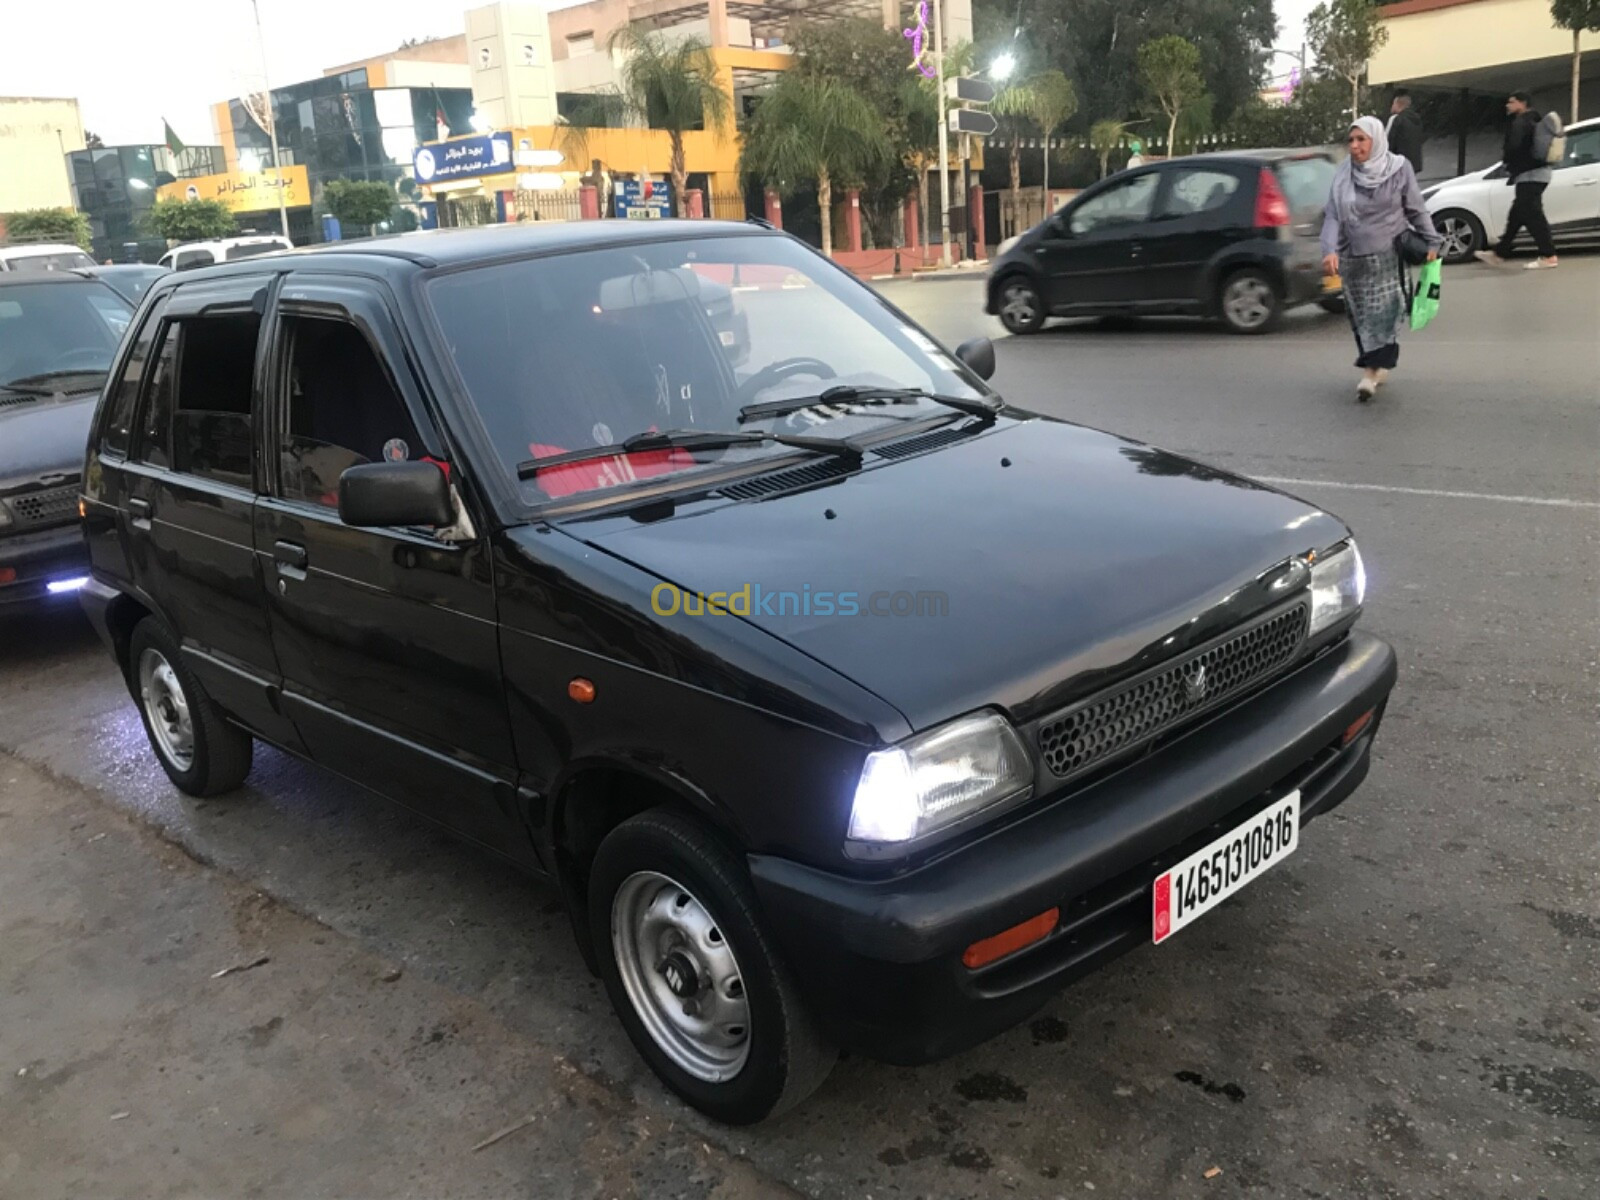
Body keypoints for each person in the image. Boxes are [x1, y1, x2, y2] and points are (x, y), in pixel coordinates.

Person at [1321, 116, 1441, 401]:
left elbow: (1415, 208)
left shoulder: (1399, 168)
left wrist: (1432, 240)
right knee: (1361, 316)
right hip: (1352, 256)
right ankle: (1378, 363)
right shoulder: (1343, 174)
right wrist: (1328, 250)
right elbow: (1333, 215)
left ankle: (1371, 371)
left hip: (1387, 254)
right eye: (1351, 140)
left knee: (1383, 314)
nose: (1354, 146)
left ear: (1375, 140)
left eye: (1361, 139)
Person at [1476, 91, 1558, 270]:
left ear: (1522, 104)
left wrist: (1508, 164)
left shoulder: (1521, 122)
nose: (1508, 105)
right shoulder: (1536, 120)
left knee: (1533, 215)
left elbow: (1513, 147)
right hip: (1539, 173)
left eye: (1511, 102)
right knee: (1517, 214)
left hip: (1529, 174)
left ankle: (1549, 255)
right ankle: (1499, 253)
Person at [1385, 90, 1424, 175]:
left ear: (1397, 104)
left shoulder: (1396, 119)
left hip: (1398, 165)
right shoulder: (1417, 120)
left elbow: (1387, 143)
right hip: (1414, 165)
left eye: (1393, 104)